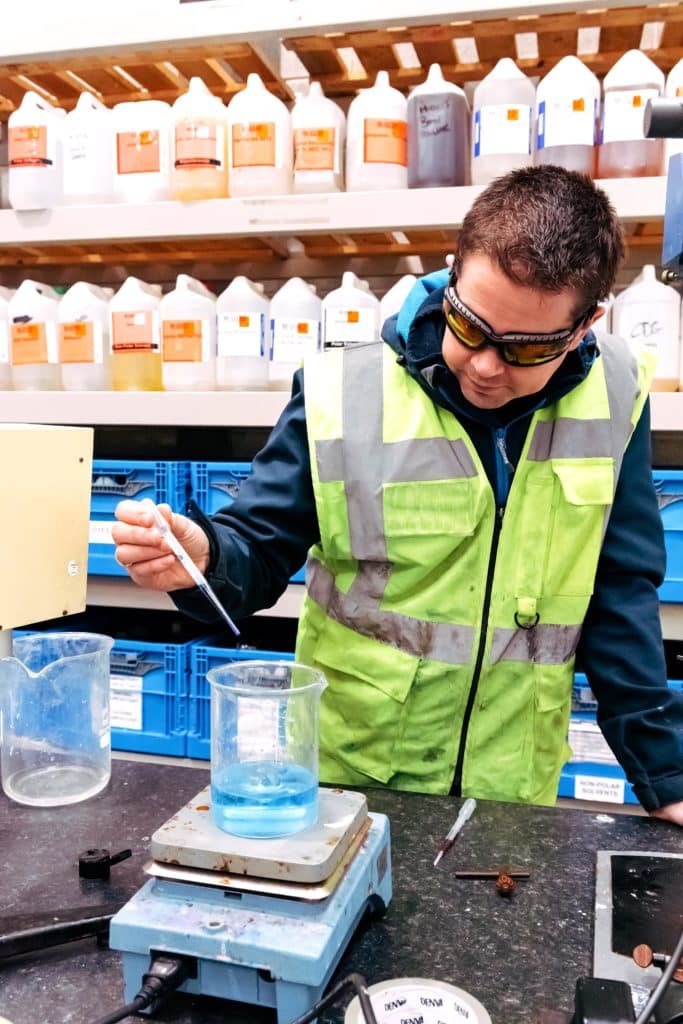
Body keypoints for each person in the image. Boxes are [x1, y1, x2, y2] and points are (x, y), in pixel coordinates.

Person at [113, 165, 683, 825]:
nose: (487, 365)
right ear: (452, 272)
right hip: (351, 783)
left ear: (583, 325)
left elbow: (619, 592)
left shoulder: (615, 393)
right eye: (470, 326)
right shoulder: (341, 391)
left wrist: (665, 775)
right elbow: (258, 553)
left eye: (526, 348)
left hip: (510, 788)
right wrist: (203, 555)